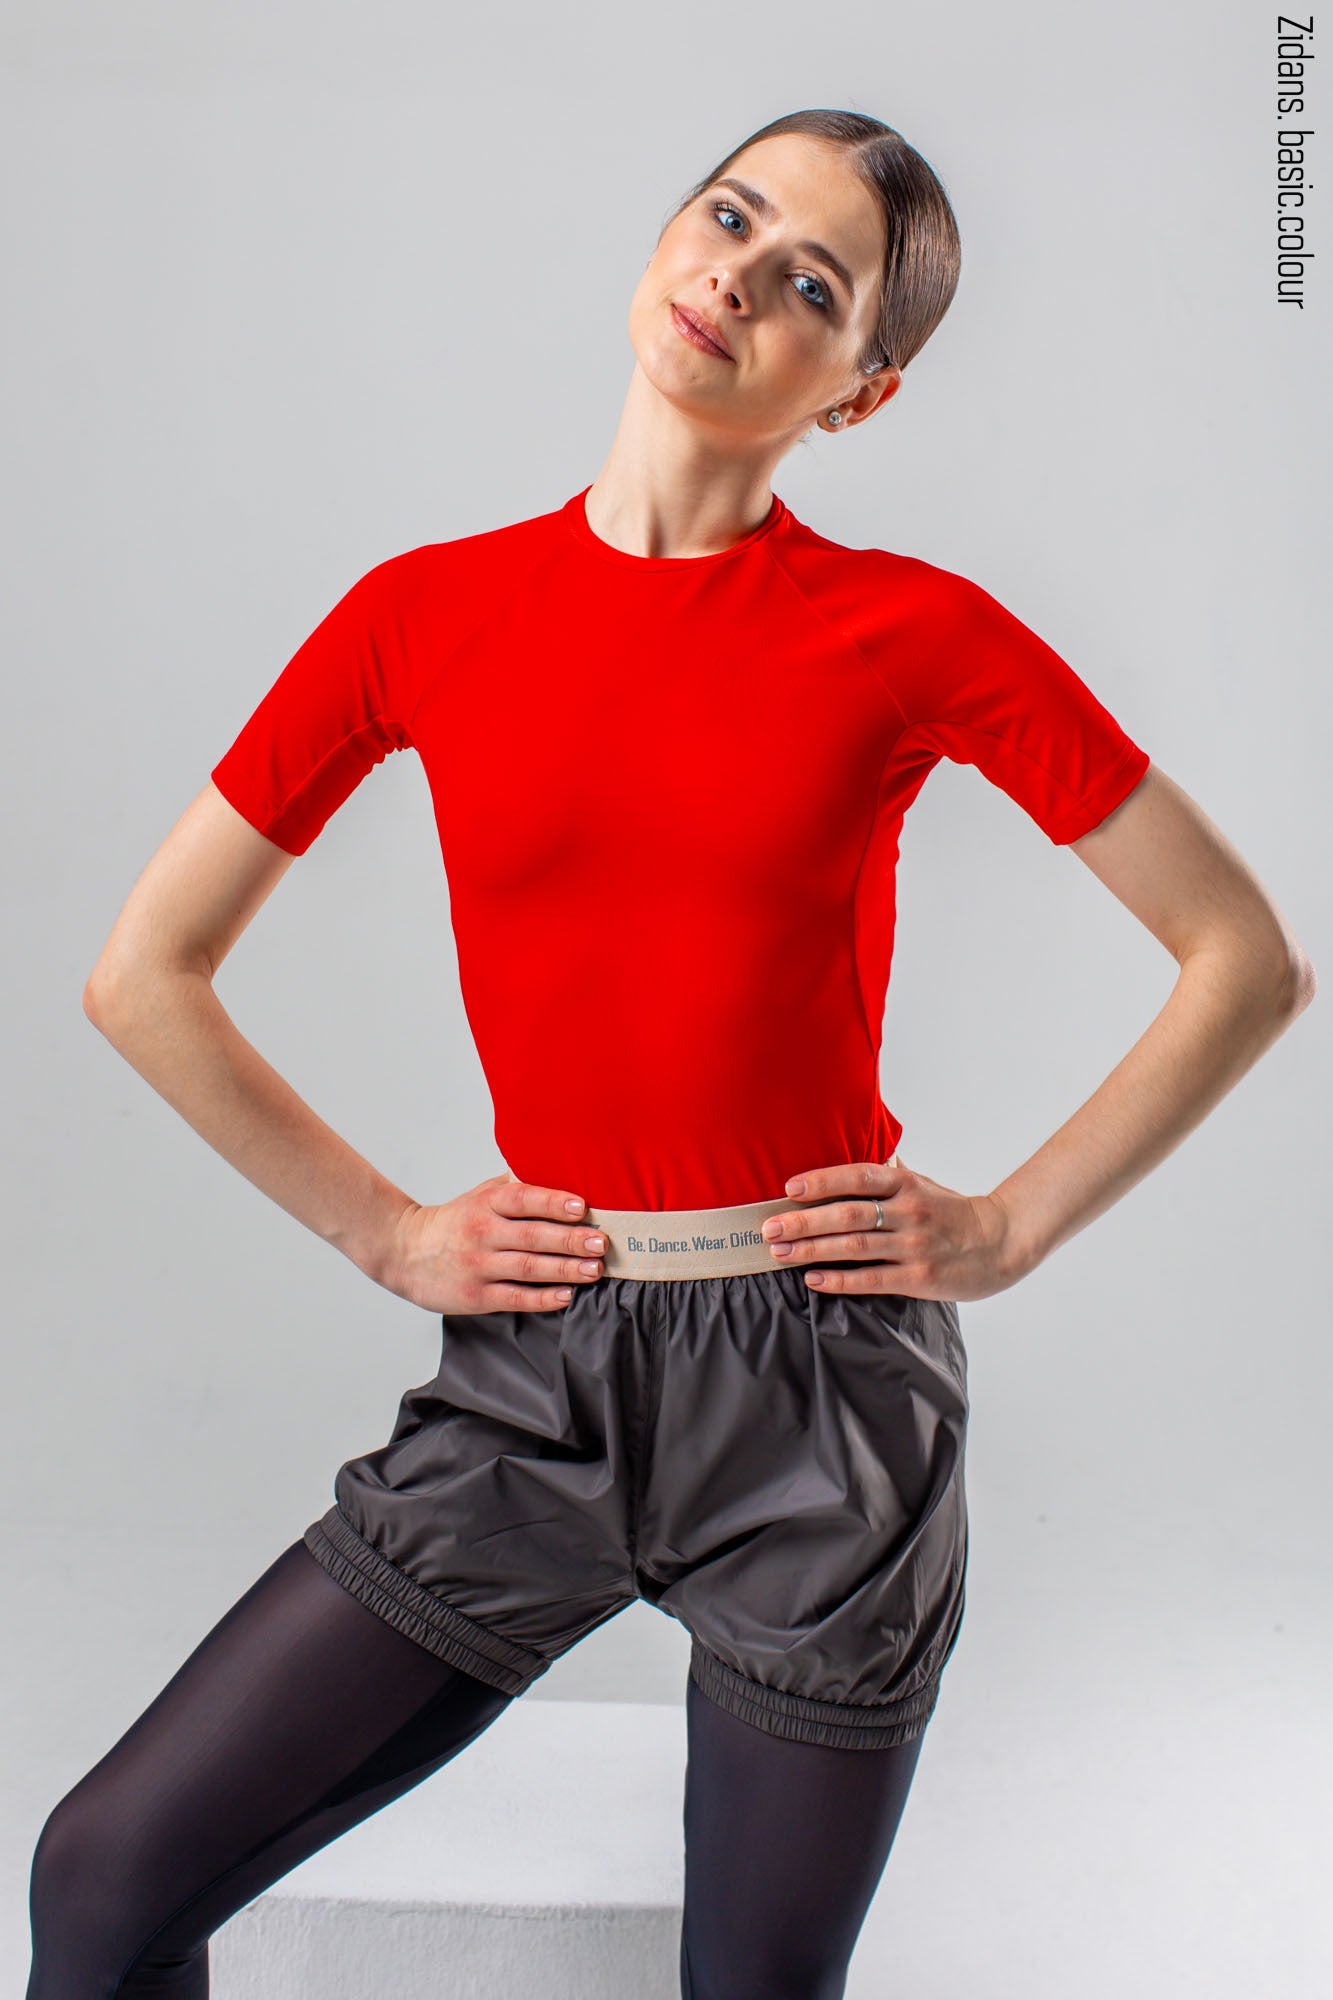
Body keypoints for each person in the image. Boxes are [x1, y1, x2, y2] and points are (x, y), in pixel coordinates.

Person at [26, 107, 1314, 2000]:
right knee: (102, 1880)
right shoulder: (420, 615)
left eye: (812, 284)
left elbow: (1243, 958)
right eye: (727, 218)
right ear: (659, 238)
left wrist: (1007, 1227)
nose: (738, 277)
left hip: (821, 1404)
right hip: (532, 1382)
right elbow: (144, 973)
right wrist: (387, 1233)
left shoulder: (910, 631)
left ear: (857, 391)